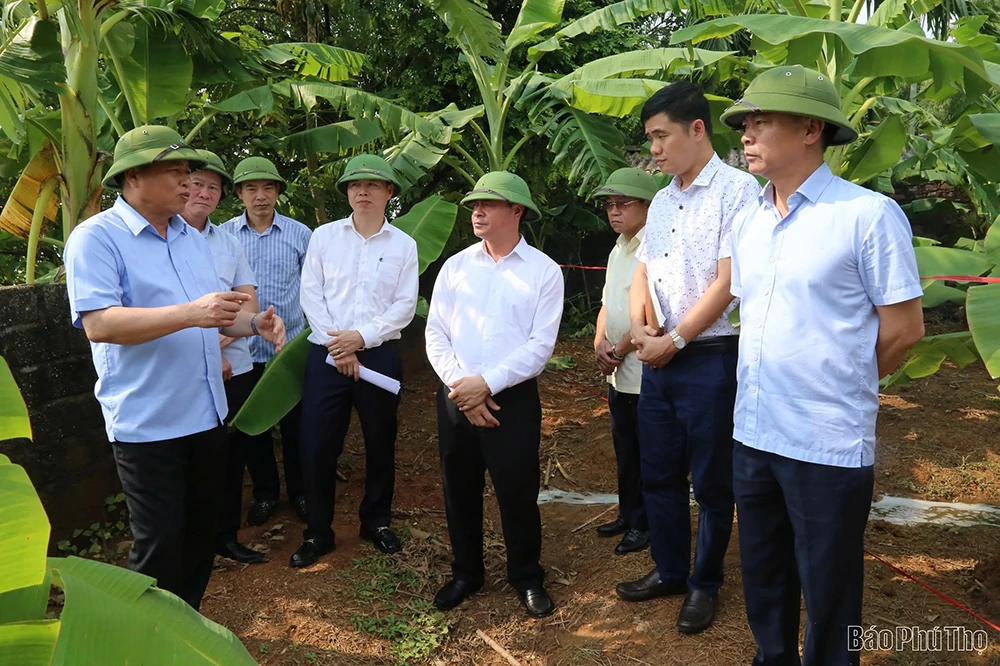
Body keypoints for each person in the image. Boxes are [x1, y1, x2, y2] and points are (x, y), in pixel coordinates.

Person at [720, 65, 925, 665]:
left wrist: (842, 380)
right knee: (764, 575)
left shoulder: (867, 216)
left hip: (825, 441)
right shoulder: (748, 220)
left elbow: (905, 330)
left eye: (762, 122)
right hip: (753, 432)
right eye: (746, 123)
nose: (747, 135)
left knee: (830, 593)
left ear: (811, 129)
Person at [64, 126, 286, 610]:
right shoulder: (97, 238)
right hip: (148, 423)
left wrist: (255, 325)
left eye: (190, 172)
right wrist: (192, 314)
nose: (188, 183)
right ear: (135, 175)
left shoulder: (190, 239)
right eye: (176, 172)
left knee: (198, 538)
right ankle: (143, 645)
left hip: (206, 414)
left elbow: (216, 314)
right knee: (159, 546)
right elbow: (99, 323)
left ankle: (184, 633)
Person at [617, 82, 759, 637]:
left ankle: (705, 584)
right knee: (659, 473)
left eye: (660, 136)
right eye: (649, 138)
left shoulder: (737, 191)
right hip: (660, 360)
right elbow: (644, 272)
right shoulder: (662, 199)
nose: (653, 149)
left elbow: (728, 283)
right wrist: (642, 326)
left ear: (696, 129)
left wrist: (673, 340)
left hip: (709, 357)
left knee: (712, 480)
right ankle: (671, 569)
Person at [425, 171, 564, 618]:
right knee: (458, 488)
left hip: (513, 398)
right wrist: (463, 388)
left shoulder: (544, 271)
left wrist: (487, 384)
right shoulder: (456, 266)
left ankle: (526, 575)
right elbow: (436, 334)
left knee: (516, 489)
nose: (477, 211)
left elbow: (540, 346)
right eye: (474, 205)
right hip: (455, 394)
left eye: (488, 203)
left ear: (516, 211)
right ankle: (466, 572)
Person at [290, 155, 419, 567]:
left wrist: (360, 339)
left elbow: (403, 305)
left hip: (378, 353)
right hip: (325, 352)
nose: (362, 191)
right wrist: (338, 345)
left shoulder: (404, 244)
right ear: (347, 192)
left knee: (381, 440)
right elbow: (311, 293)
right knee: (317, 444)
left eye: (372, 185)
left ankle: (376, 521)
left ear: (389, 193)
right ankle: (318, 532)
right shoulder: (325, 237)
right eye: (354, 185)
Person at [181, 149, 265, 565]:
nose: (204, 192)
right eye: (197, 183)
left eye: (213, 187)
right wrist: (207, 354)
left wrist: (220, 349)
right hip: (185, 367)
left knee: (232, 454)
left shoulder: (229, 242)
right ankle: (191, 540)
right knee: (190, 455)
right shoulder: (163, 236)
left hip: (237, 362)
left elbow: (246, 302)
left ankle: (226, 536)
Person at [221, 157, 311, 527]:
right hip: (242, 349)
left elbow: (313, 288)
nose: (261, 196)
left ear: (277, 193)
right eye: (252, 188)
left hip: (287, 349)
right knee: (253, 427)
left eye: (268, 188)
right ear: (239, 194)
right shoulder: (223, 236)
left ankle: (301, 492)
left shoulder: (300, 234)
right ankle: (265, 493)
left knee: (296, 425)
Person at [589, 168, 660, 556]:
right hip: (618, 374)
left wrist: (617, 350)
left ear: (647, 206)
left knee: (648, 451)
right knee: (625, 448)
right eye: (609, 205)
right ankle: (629, 513)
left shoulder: (654, 248)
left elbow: (651, 316)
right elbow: (607, 304)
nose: (613, 212)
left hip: (644, 372)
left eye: (622, 204)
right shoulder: (619, 248)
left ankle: (645, 522)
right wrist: (601, 341)